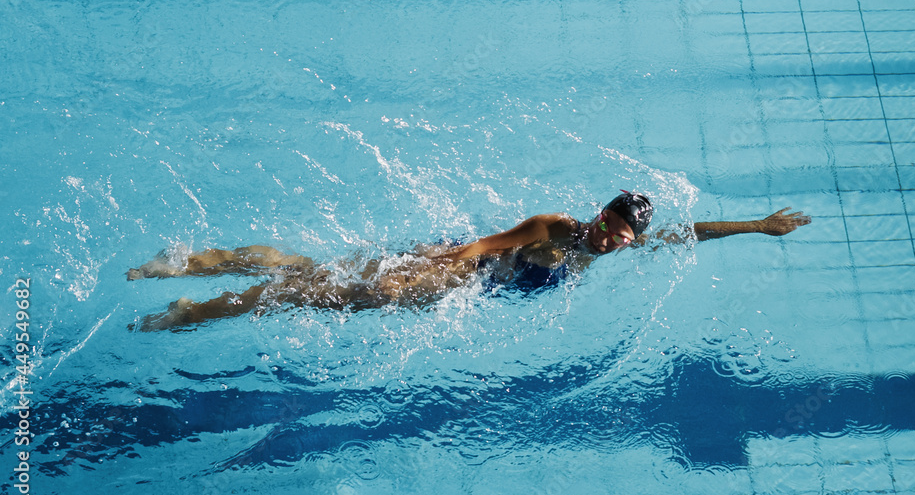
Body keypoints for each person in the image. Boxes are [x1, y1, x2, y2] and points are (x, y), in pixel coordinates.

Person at [129, 191, 810, 331]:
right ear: (598, 214)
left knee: (314, 273)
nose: (611, 240)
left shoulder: (602, 252)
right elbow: (484, 249)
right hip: (448, 273)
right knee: (318, 292)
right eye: (611, 225)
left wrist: (760, 226)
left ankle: (196, 263)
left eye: (623, 238)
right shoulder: (557, 225)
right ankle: (191, 302)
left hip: (454, 283)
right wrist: (421, 272)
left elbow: (687, 232)